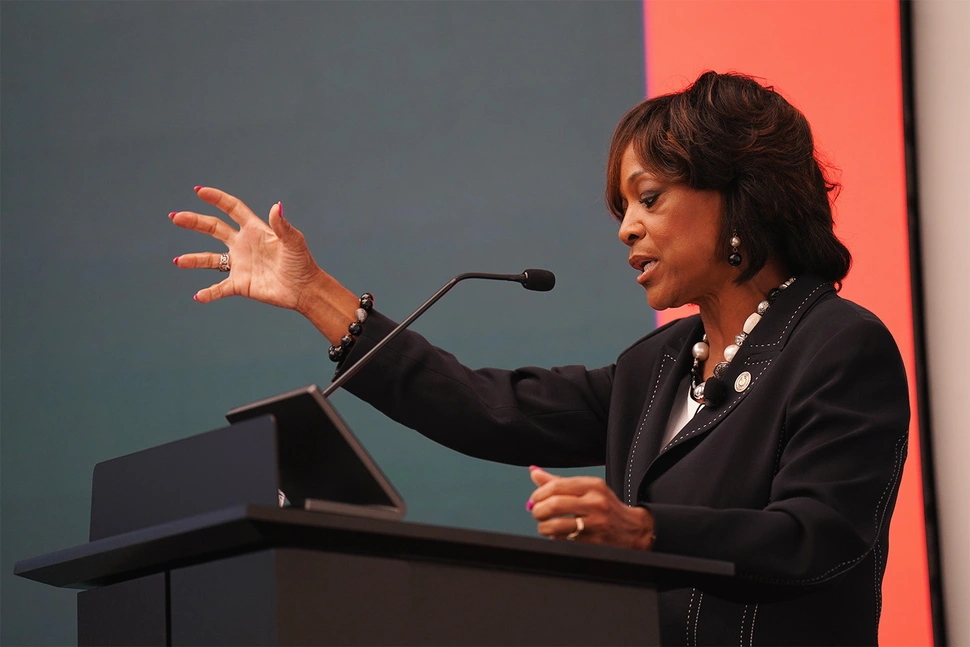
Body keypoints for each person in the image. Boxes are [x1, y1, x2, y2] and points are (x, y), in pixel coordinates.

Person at [169, 71, 909, 646]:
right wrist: (315, 295)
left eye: (648, 197)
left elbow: (819, 538)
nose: (627, 229)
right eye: (621, 210)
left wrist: (646, 528)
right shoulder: (656, 366)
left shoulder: (838, 346)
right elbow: (487, 407)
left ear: (743, 196)